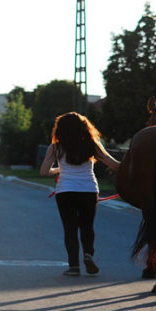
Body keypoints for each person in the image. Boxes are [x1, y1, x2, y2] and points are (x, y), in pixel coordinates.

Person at [40, 112, 120, 276]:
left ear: (60, 129)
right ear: (84, 127)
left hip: (65, 191)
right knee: (87, 226)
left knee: (70, 228)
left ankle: (74, 267)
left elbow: (43, 172)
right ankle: (88, 254)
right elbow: (114, 165)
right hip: (89, 189)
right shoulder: (92, 144)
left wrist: (60, 169)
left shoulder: (55, 147)